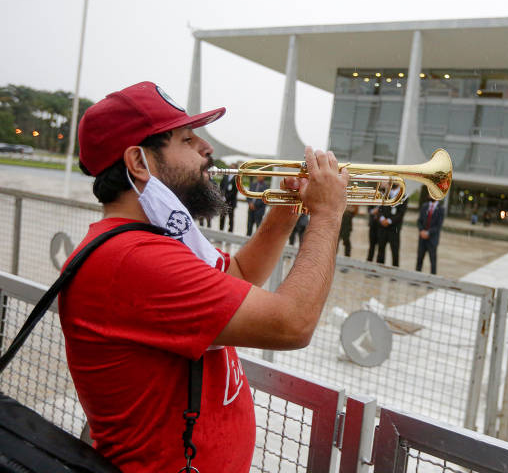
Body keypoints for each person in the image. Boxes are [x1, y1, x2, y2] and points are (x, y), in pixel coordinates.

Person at [58, 81, 348, 473]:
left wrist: (287, 212)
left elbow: (240, 275)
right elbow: (293, 324)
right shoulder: (132, 260)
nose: (206, 149)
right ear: (139, 162)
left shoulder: (149, 243)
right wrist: (328, 215)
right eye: (187, 140)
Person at [376, 183, 408, 267]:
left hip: (394, 229)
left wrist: (389, 221)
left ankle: (394, 274)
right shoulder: (385, 193)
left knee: (395, 251)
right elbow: (379, 208)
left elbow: (401, 213)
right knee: (380, 250)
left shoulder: (404, 196)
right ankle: (378, 271)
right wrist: (382, 219)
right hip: (382, 227)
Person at [415, 198, 444, 275]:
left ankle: (432, 279)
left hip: (432, 239)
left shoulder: (441, 209)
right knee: (419, 259)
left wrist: (428, 233)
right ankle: (417, 277)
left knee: (433, 261)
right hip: (422, 238)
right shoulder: (424, 206)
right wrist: (421, 231)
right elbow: (419, 221)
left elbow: (438, 225)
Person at [219, 163, 238, 232]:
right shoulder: (225, 176)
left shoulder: (237, 178)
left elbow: (234, 192)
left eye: (233, 168)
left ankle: (230, 232)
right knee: (222, 218)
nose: (231, 169)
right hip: (223, 202)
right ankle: (220, 232)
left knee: (231, 219)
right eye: (230, 167)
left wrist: (226, 198)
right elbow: (221, 186)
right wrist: (221, 196)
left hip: (231, 202)